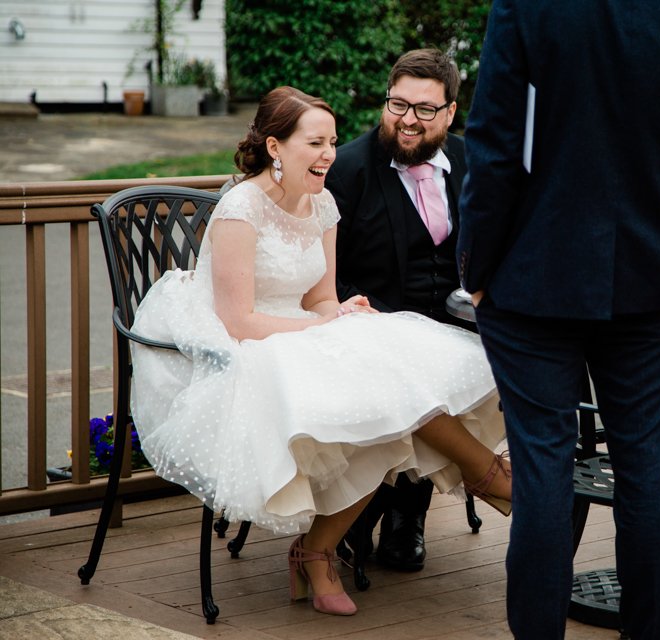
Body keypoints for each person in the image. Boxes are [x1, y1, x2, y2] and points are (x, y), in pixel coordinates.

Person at [128, 86, 511, 617]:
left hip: (299, 331)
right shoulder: (241, 209)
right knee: (379, 397)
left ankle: (319, 550)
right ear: (275, 147)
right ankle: (491, 480)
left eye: (332, 141)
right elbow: (238, 321)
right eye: (316, 142)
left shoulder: (323, 202)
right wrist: (316, 328)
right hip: (245, 348)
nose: (330, 153)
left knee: (392, 384)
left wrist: (339, 312)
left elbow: (319, 298)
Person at [457, 2, 660, 638]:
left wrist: (476, 270)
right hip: (645, 283)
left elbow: (494, 150)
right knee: (648, 470)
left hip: (531, 280)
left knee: (543, 472)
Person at [324, 48, 468, 572]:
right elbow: (321, 266)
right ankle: (366, 510)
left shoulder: (471, 165)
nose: (408, 120)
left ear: (450, 113)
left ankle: (408, 516)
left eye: (425, 109)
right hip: (368, 327)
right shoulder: (348, 169)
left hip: (455, 327)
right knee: (407, 376)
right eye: (398, 104)